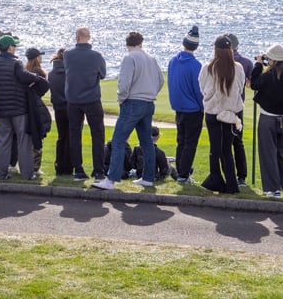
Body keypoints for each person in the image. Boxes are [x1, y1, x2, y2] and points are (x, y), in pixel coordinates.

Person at [92, 31, 164, 190]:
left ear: (127, 44)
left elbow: (124, 83)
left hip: (132, 102)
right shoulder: (151, 59)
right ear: (141, 42)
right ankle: (148, 177)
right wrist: (151, 93)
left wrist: (121, 99)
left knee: (118, 140)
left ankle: (111, 180)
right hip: (148, 103)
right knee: (147, 142)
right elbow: (160, 80)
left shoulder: (129, 58)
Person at [0, 35, 43, 180]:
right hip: (18, 109)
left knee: (2, 142)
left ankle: (1, 173)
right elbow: (25, 76)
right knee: (23, 142)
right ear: (10, 48)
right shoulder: (16, 63)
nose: (15, 48)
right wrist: (36, 78)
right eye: (14, 46)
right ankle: (27, 174)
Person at [251, 44, 283, 199]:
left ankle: (273, 189)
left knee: (268, 152)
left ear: (272, 59)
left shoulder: (268, 76)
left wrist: (258, 65)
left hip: (268, 117)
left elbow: (254, 83)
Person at [198, 35, 245, 194]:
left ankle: (216, 178)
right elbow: (240, 87)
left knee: (215, 147)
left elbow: (203, 87)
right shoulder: (237, 67)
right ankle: (231, 184)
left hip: (213, 111)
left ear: (216, 49)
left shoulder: (208, 68)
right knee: (226, 149)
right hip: (230, 112)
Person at [63, 27, 107, 181]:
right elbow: (102, 74)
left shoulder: (68, 54)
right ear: (89, 37)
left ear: (77, 37)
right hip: (92, 99)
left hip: (73, 100)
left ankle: (78, 170)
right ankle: (98, 171)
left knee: (75, 134)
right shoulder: (96, 56)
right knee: (98, 134)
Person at [167, 25, 203, 184]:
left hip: (179, 107)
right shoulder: (195, 66)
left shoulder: (173, 61)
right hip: (192, 109)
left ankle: (182, 170)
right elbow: (199, 90)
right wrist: (203, 107)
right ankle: (183, 174)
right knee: (190, 142)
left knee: (181, 140)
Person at [224, 33, 252, 187]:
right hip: (237, 106)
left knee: (223, 142)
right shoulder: (246, 62)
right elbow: (250, 83)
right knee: (237, 141)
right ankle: (241, 177)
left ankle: (227, 174)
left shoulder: (218, 61)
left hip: (222, 106)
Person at [24, 47, 51, 175]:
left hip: (25, 107)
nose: (41, 58)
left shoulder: (24, 71)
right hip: (35, 106)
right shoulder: (38, 72)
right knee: (36, 136)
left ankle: (23, 164)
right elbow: (44, 87)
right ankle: (35, 167)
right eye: (40, 56)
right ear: (36, 58)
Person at [49, 48, 72, 175]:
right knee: (71, 137)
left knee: (62, 136)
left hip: (58, 108)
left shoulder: (51, 73)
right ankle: (68, 167)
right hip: (70, 107)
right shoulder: (70, 73)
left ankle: (59, 165)